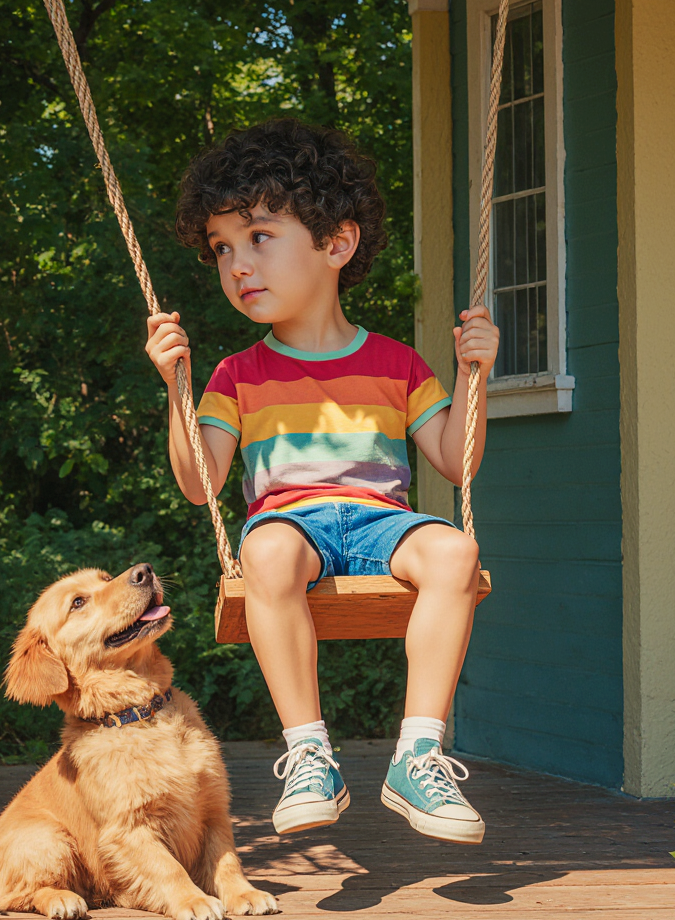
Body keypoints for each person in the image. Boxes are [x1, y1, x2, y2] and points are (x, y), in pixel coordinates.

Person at [144, 119, 499, 844]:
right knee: (266, 554)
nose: (238, 264)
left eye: (259, 237)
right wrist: (174, 386)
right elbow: (200, 483)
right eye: (222, 249)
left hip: (380, 524)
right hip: (291, 524)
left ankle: (419, 753)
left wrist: (475, 376)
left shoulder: (399, 365)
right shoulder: (236, 375)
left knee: (456, 554)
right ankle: (309, 751)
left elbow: (455, 462)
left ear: (336, 244)